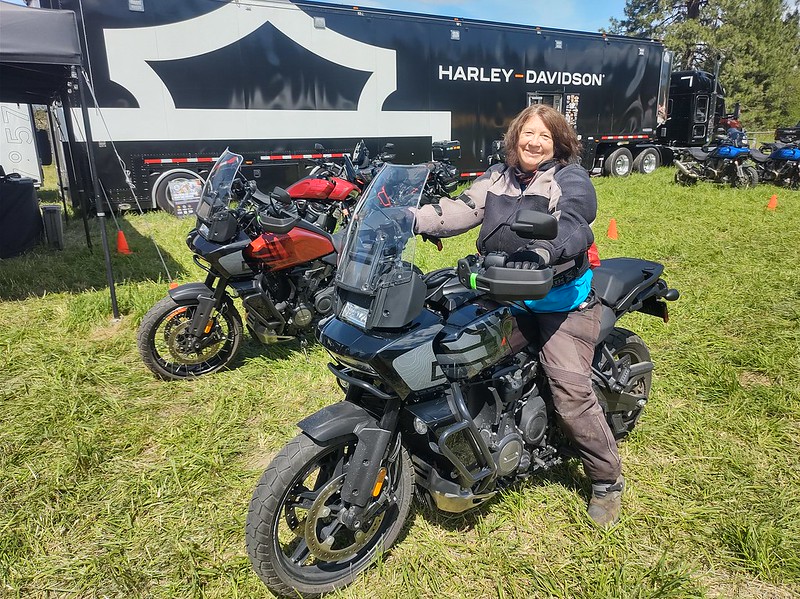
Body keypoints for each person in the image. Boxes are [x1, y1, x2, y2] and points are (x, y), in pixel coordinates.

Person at [414, 104, 623, 527]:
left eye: (544, 136)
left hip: (557, 299)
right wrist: (406, 219)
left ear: (559, 142)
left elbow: (575, 222)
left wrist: (546, 250)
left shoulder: (569, 178)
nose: (533, 141)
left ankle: (606, 480)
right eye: (527, 133)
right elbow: (461, 209)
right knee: (444, 345)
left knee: (569, 392)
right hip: (501, 288)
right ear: (514, 137)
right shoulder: (498, 176)